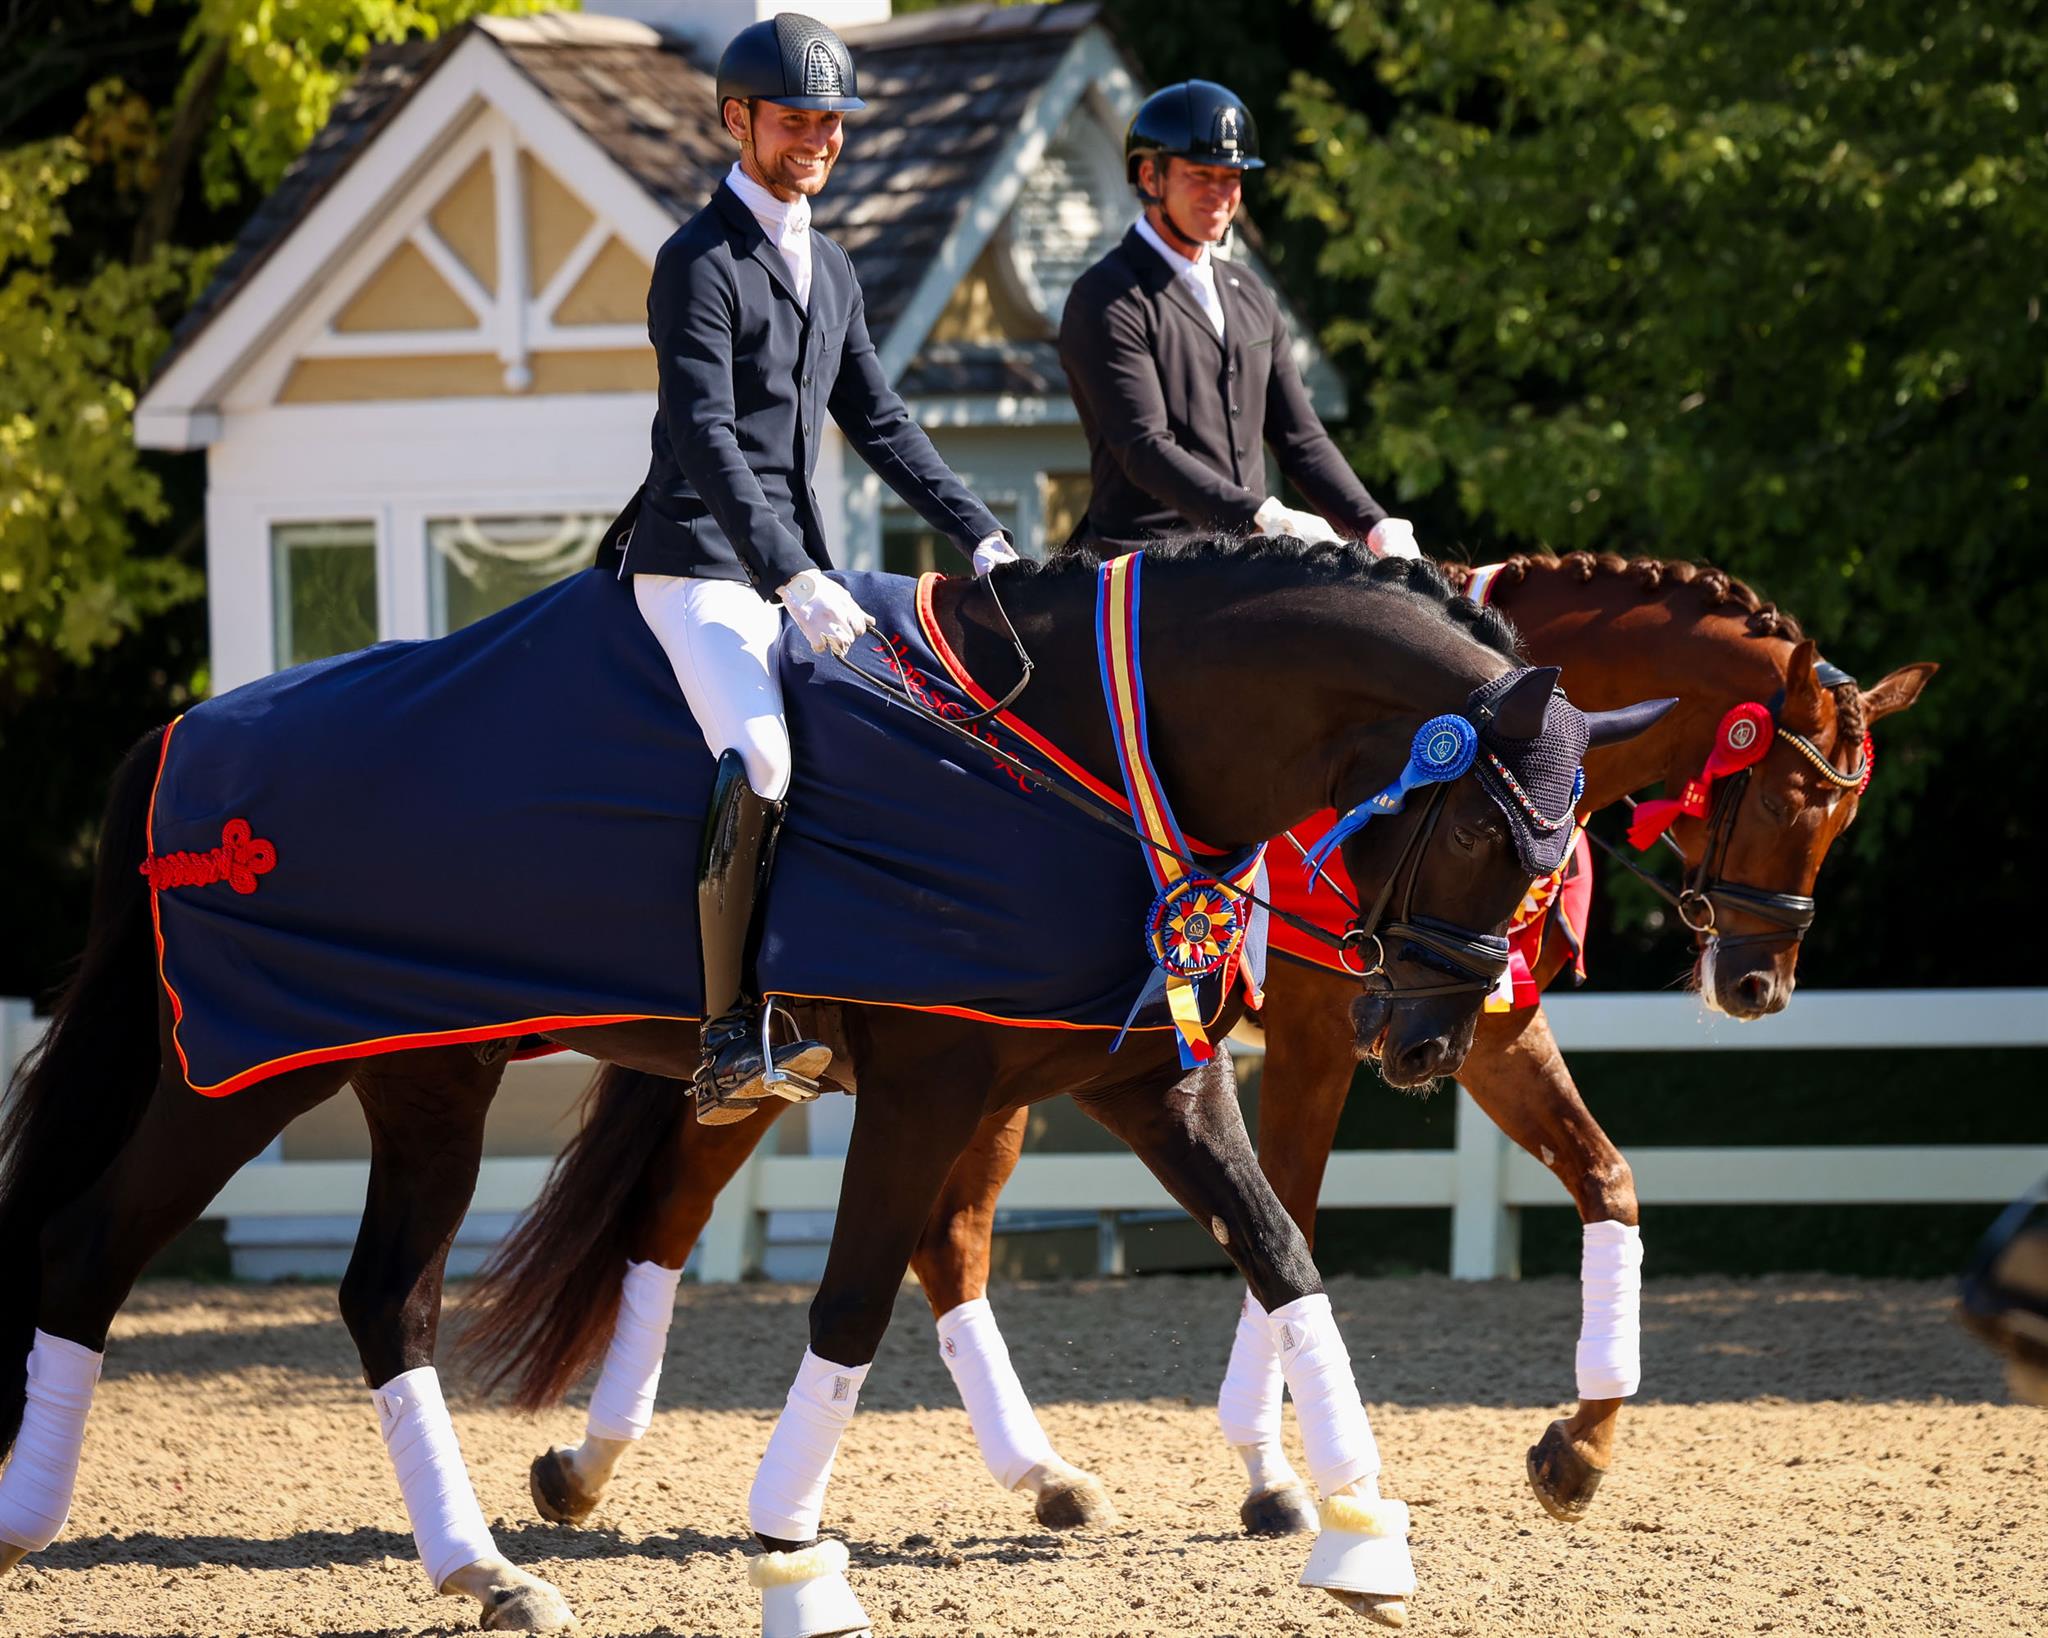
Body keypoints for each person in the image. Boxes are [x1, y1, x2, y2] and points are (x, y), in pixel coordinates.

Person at [596, 12, 1016, 1124]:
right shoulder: (698, 262)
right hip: (696, 564)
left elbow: (877, 419)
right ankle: (729, 1034)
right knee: (766, 760)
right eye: (795, 120)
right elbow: (704, 437)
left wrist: (979, 532)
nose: (818, 139)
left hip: (791, 572)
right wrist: (789, 572)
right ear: (738, 119)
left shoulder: (827, 266)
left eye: (831, 121)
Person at [1058, 80, 1418, 558]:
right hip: (1146, 559)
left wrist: (1373, 525)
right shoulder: (1106, 298)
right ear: (1150, 177)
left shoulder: (1250, 292)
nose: (1220, 194)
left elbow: (1300, 440)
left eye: (1231, 177)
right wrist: (1261, 518)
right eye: (1199, 176)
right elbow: (1144, 449)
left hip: (1247, 564)